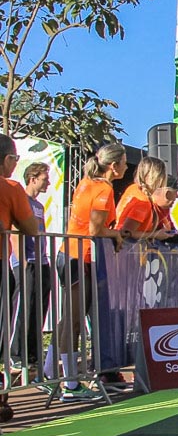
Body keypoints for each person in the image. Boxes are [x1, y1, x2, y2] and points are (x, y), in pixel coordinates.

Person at [49, 143, 127, 402]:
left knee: (70, 318)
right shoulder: (102, 188)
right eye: (125, 162)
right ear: (113, 166)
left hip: (70, 254)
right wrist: (115, 233)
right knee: (73, 321)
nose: (127, 167)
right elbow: (95, 229)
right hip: (77, 257)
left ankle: (52, 374)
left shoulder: (87, 182)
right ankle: (70, 385)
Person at [8, 162, 48, 367]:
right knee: (24, 308)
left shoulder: (39, 206)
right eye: (44, 178)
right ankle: (16, 355)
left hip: (41, 261)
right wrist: (21, 261)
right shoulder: (20, 199)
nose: (47, 182)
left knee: (39, 308)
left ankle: (32, 354)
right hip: (26, 261)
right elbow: (16, 232)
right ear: (33, 179)